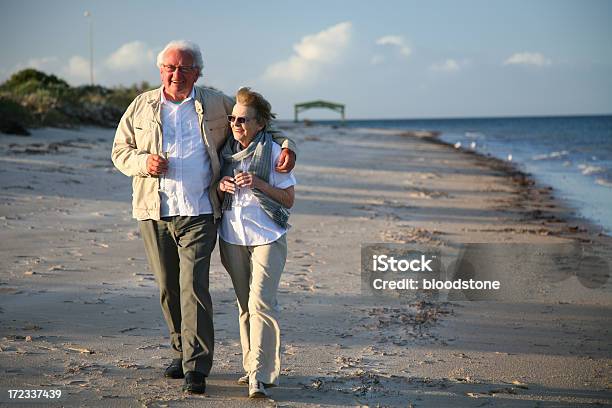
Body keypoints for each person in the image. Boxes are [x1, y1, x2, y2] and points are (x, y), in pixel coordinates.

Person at [111, 40, 296, 395]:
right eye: (170, 67)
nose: (176, 74)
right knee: (168, 287)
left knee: (193, 285)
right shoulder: (141, 106)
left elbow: (259, 125)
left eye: (184, 68)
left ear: (197, 72)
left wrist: (288, 146)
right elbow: (120, 151)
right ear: (160, 70)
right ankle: (181, 352)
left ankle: (197, 365)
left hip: (200, 210)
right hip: (155, 211)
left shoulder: (215, 102)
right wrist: (143, 163)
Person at [217, 87, 296, 398]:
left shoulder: (276, 152)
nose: (237, 124)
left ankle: (258, 377)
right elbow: (211, 182)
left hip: (268, 236)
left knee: (260, 303)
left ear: (261, 123)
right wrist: (221, 184)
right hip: (232, 236)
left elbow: (288, 200)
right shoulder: (224, 151)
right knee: (244, 306)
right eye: (233, 118)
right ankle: (251, 364)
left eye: (244, 120)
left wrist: (259, 184)